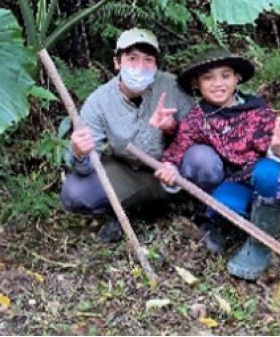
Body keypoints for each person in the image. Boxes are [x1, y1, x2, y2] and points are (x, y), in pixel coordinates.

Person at [59, 28, 225, 243]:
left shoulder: (173, 87)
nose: (140, 67)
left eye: (148, 60)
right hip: (131, 172)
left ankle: (203, 213)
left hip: (174, 171)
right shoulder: (98, 102)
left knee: (205, 160)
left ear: (156, 65)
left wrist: (172, 129)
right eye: (132, 59)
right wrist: (80, 153)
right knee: (74, 193)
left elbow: (202, 134)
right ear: (117, 63)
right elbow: (87, 164)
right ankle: (127, 209)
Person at [154, 49, 280, 281]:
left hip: (262, 176)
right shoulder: (197, 118)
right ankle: (240, 219)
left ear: (236, 78)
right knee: (223, 206)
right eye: (208, 77)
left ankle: (259, 246)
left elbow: (277, 154)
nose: (218, 84)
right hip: (234, 183)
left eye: (225, 76)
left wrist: (279, 150)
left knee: (271, 175)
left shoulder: (257, 109)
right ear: (197, 83)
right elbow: (176, 151)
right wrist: (169, 169)